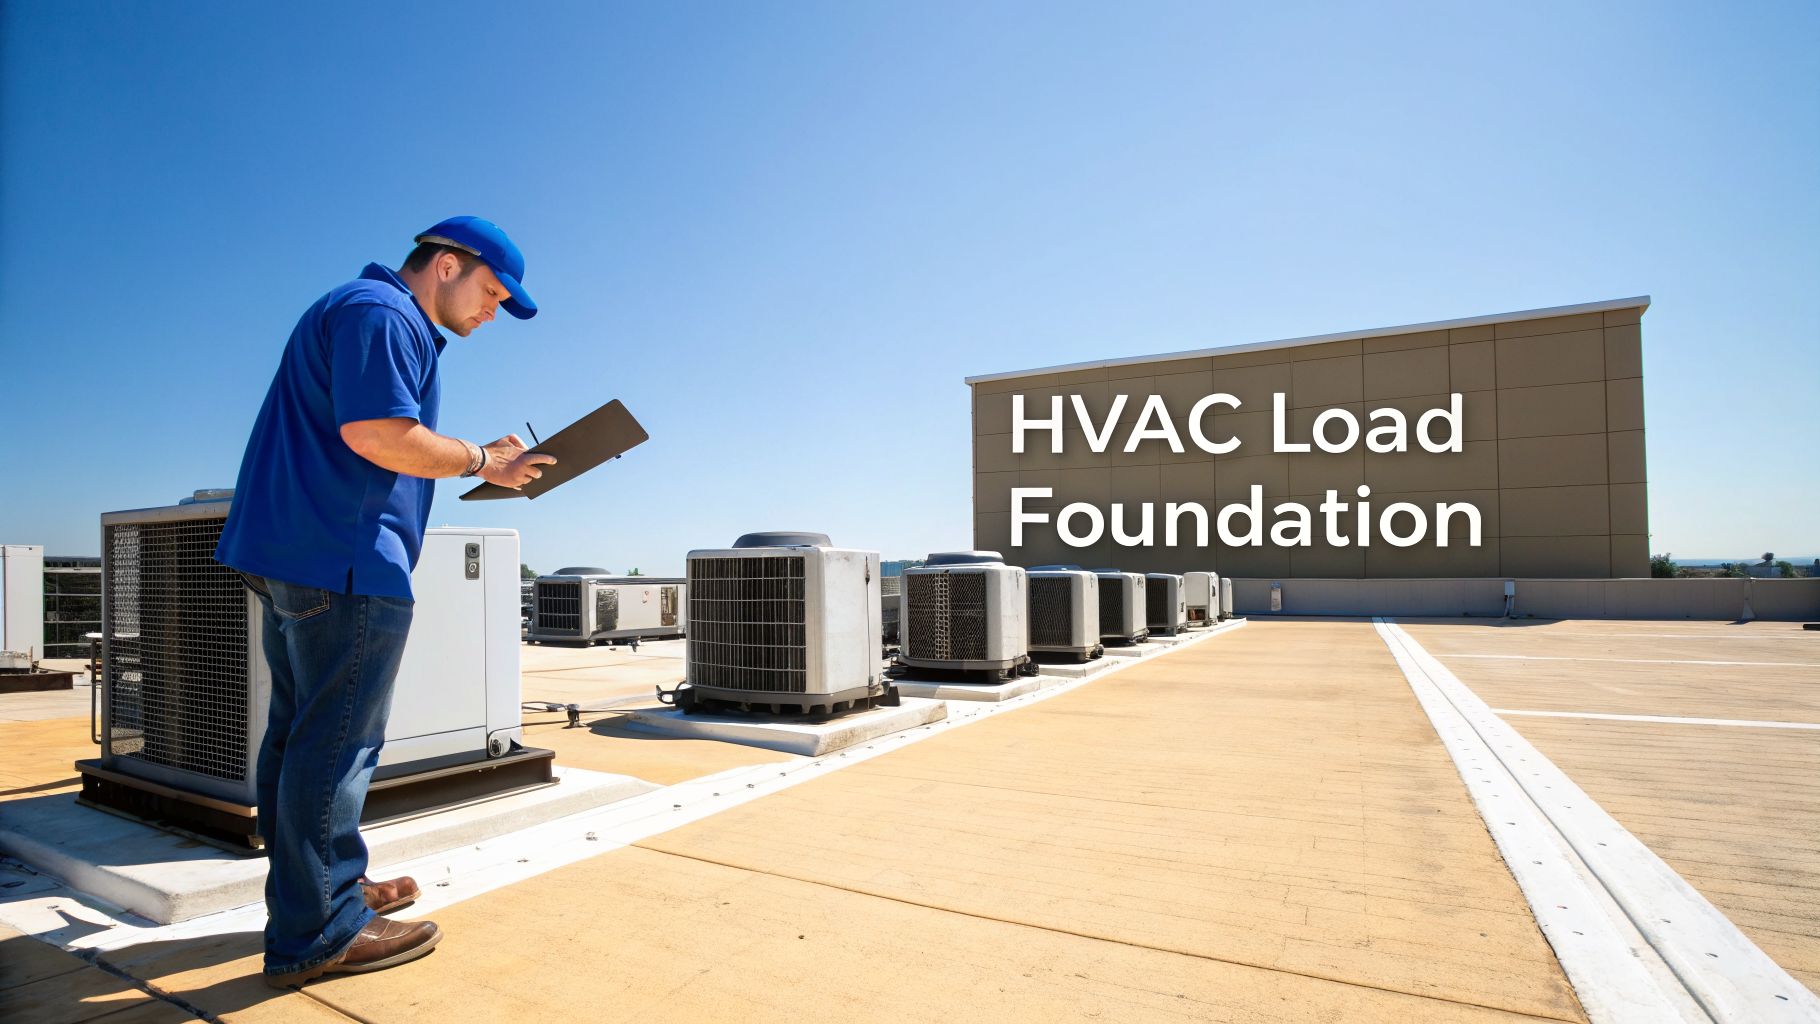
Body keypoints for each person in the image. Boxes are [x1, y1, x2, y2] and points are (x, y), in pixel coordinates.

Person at [214, 216, 556, 988]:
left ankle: (319, 895)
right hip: (343, 559)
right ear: (444, 266)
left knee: (299, 740)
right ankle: (322, 931)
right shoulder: (383, 313)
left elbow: (371, 437)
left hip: (296, 552)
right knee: (336, 747)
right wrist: (482, 461)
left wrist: (480, 457)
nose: (492, 312)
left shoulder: (360, 309)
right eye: (492, 293)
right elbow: (378, 434)